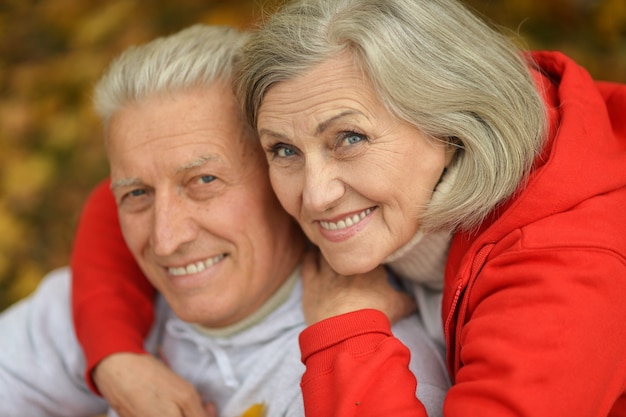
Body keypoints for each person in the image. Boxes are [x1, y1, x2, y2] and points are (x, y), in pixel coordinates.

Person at [72, 0, 626, 416]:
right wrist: (113, 352)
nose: (316, 195)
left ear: (450, 118)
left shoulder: (566, 268)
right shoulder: (455, 153)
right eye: (284, 150)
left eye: (349, 139)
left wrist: (346, 330)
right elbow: (138, 192)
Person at [0, 22, 450, 417]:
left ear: (283, 173)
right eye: (137, 193)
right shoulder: (82, 309)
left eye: (204, 180)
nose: (166, 239)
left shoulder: (383, 365)